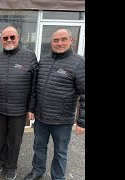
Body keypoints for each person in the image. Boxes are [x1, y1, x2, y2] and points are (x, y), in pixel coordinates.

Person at [24, 29, 85, 180]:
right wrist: (31, 108)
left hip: (62, 120)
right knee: (38, 147)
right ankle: (37, 171)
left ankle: (57, 177)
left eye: (63, 39)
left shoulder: (79, 63)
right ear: (51, 43)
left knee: (60, 152)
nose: (59, 43)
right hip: (41, 117)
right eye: (56, 40)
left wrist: (82, 121)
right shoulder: (44, 61)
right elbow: (35, 87)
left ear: (71, 41)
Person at [0, 25, 38, 180]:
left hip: (18, 110)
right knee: (0, 139)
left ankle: (12, 166)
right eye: (5, 38)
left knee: (15, 141)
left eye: (12, 37)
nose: (9, 40)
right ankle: (1, 161)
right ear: (1, 40)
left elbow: (34, 85)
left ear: (18, 38)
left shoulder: (29, 56)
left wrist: (31, 108)